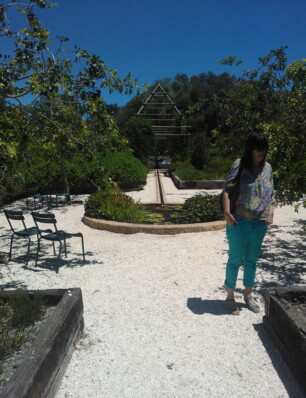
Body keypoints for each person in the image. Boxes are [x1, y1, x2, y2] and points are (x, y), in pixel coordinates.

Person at [222, 132, 274, 315]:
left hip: (259, 223)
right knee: (235, 260)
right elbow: (227, 189)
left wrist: (271, 214)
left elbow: (271, 194)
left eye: (264, 148)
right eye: (258, 148)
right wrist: (227, 213)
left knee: (251, 260)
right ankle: (230, 295)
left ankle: (248, 295)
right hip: (239, 221)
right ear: (250, 149)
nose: (262, 152)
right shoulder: (240, 164)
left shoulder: (268, 168)